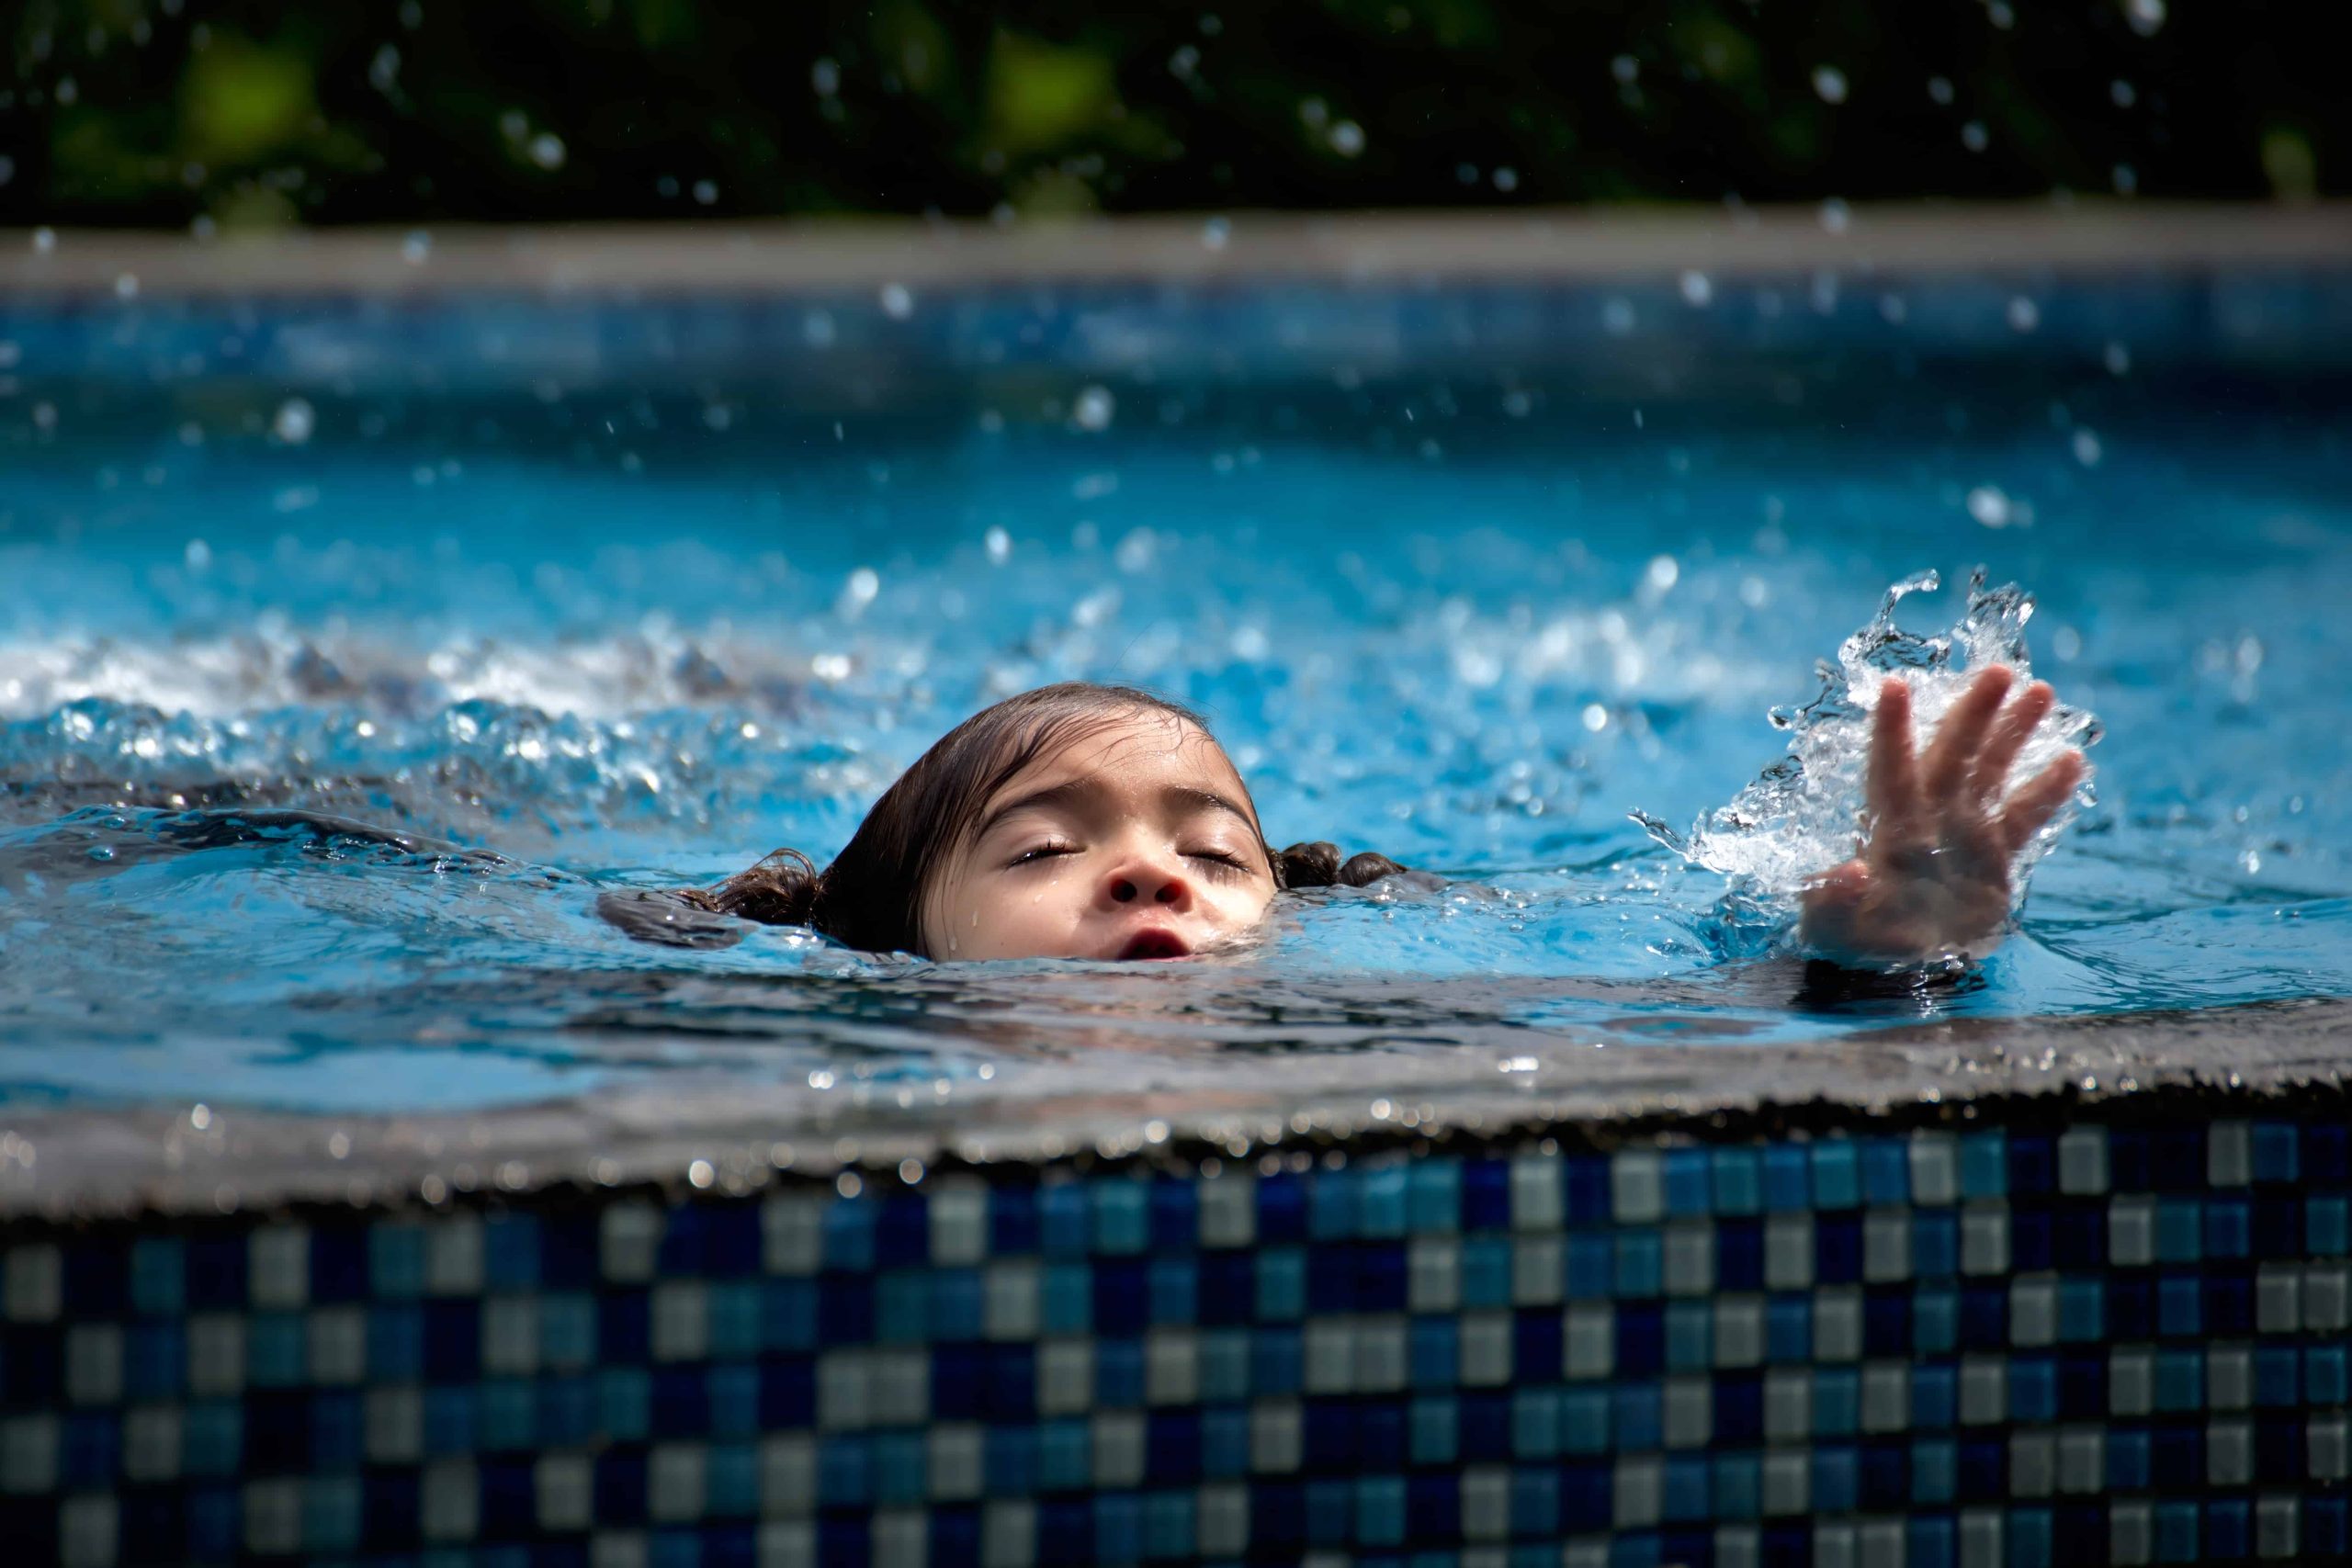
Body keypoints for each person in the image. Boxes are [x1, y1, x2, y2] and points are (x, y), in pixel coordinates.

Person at [633, 668, 2083, 968]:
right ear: (899, 941)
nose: (1151, 870)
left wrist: (1891, 959)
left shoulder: (1383, 1032)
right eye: (1044, 846)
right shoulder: (817, 1033)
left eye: (1214, 854)